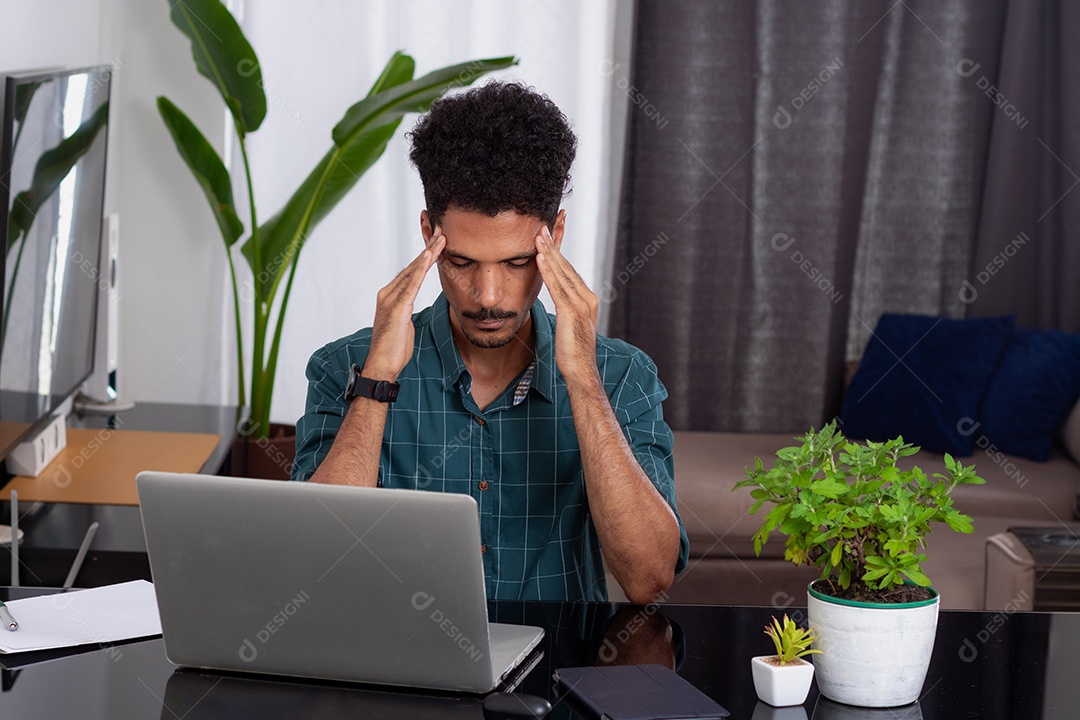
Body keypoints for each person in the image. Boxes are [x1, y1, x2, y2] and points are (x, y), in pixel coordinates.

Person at [291, 81, 688, 604]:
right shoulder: (344, 366)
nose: (489, 296)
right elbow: (316, 560)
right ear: (429, 233)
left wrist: (584, 383)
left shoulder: (621, 374)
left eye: (518, 262)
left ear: (556, 235)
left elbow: (649, 579)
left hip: (555, 672)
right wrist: (377, 383)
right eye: (460, 263)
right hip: (396, 674)